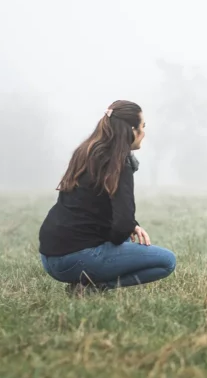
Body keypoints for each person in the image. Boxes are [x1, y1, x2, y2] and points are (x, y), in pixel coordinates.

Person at [38, 100, 176, 294]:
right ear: (131, 130)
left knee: (126, 240)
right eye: (143, 127)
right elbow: (121, 226)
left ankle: (84, 283)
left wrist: (131, 226)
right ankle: (95, 288)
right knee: (167, 261)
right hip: (76, 259)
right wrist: (128, 226)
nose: (144, 133)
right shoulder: (119, 164)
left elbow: (94, 207)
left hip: (49, 259)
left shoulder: (86, 152)